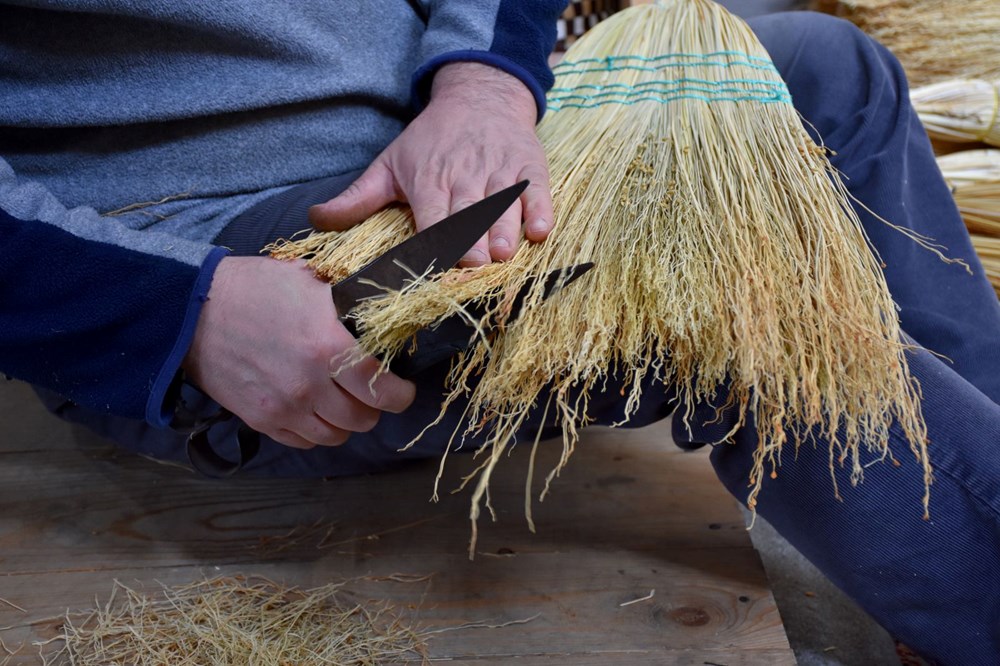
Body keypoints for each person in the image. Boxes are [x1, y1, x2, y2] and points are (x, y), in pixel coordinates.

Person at [1, 3, 998, 662]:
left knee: (830, 71)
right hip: (226, 246)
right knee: (721, 308)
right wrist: (178, 308)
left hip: (452, 133)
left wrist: (483, 84)